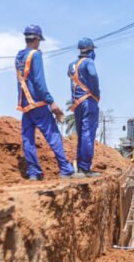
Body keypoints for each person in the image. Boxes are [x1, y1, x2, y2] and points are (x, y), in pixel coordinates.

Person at [15, 24, 83, 181]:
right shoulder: (35, 55)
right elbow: (39, 82)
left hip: (25, 104)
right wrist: (51, 102)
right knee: (53, 134)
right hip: (38, 103)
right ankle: (65, 169)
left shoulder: (18, 57)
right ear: (37, 39)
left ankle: (33, 172)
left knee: (28, 138)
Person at [68, 37, 102, 177]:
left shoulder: (72, 65)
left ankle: (81, 167)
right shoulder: (89, 62)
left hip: (77, 103)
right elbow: (93, 74)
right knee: (88, 133)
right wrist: (95, 91)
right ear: (91, 50)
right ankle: (85, 168)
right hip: (88, 101)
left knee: (82, 134)